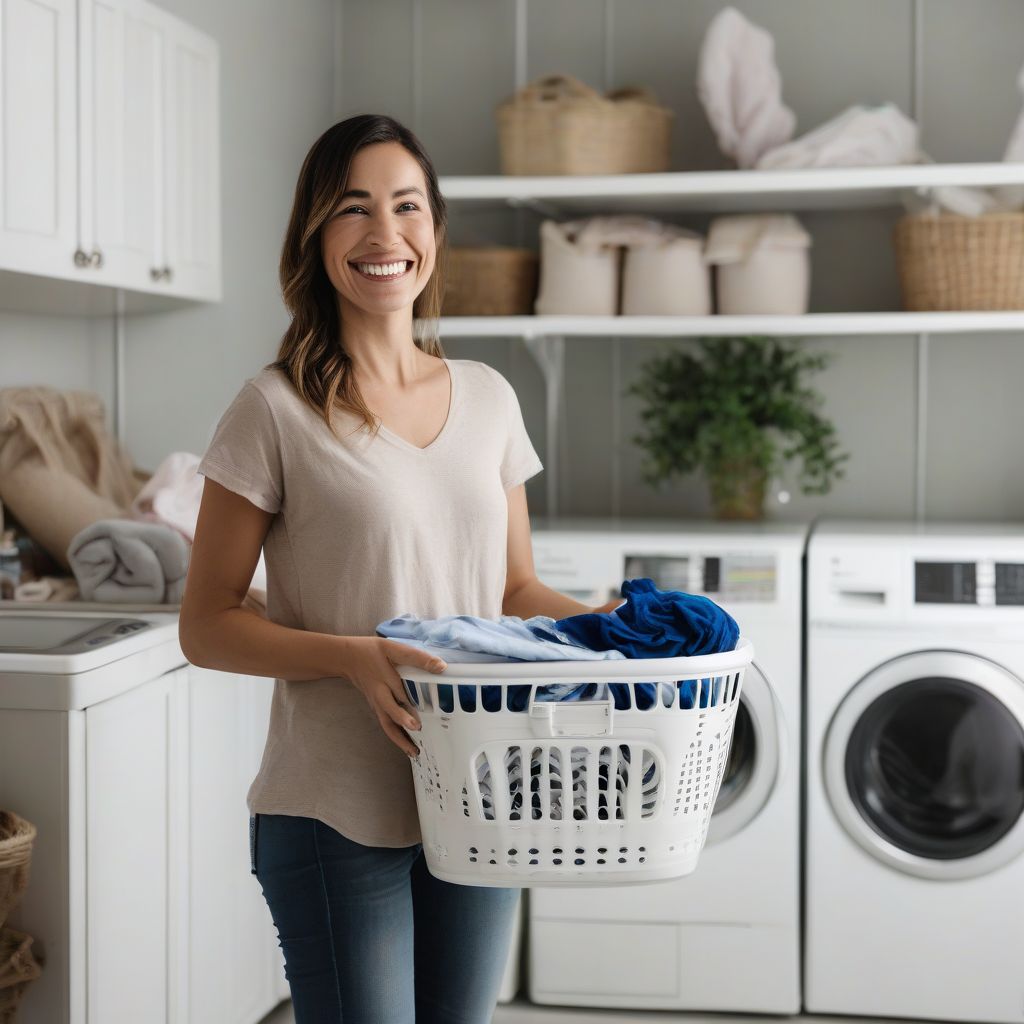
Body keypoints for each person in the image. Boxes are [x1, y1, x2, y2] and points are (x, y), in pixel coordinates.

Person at [178, 114, 618, 1024]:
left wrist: (614, 633)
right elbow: (207, 622)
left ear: (434, 230)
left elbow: (511, 593)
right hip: (335, 808)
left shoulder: (490, 398)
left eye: (406, 206)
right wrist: (353, 655)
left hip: (480, 788)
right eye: (353, 209)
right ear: (316, 237)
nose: (386, 235)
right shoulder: (274, 409)